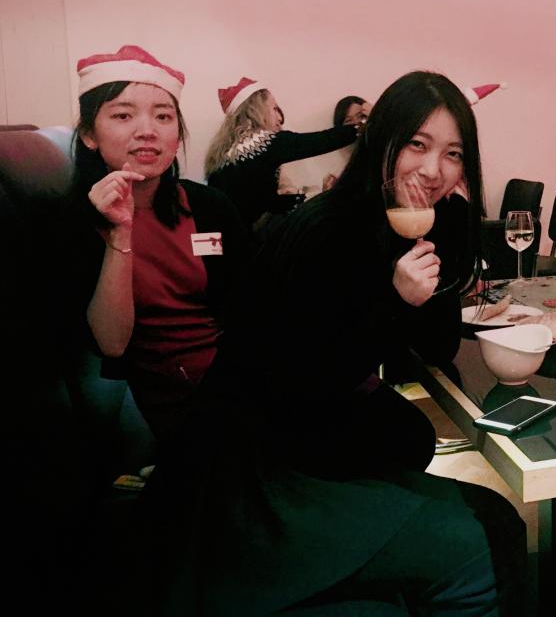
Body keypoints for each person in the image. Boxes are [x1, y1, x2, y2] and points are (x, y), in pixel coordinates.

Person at [121, 71, 526, 615]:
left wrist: (438, 240)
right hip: (258, 468)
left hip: (304, 437)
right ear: (381, 141)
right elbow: (301, 379)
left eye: (452, 154)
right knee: (483, 532)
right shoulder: (329, 228)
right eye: (417, 144)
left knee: (445, 469)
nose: (434, 170)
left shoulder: (412, 221)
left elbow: (435, 347)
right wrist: (392, 301)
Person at [65, 44, 250, 447]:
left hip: (232, 377)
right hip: (160, 399)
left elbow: (251, 303)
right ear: (90, 135)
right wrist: (120, 233)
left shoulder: (209, 206)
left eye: (163, 116)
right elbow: (112, 344)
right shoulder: (70, 222)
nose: (147, 130)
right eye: (123, 115)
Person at [204, 77, 361, 229]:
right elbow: (321, 141)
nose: (279, 117)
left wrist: (308, 198)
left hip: (223, 236)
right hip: (244, 238)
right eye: (274, 108)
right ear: (257, 110)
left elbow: (263, 202)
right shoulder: (263, 142)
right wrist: (362, 126)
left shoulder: (225, 153)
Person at [322, 94, 373, 191]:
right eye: (348, 120)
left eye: (361, 116)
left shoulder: (385, 149)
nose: (357, 123)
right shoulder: (339, 173)